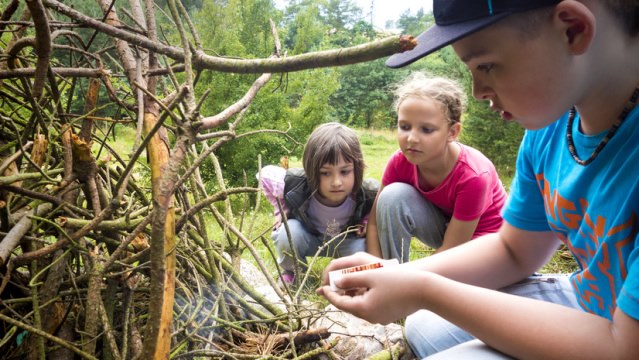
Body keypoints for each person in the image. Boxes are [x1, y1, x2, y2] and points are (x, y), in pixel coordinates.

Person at [318, 0, 639, 358]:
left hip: (621, 337)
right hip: (591, 299)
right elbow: (514, 250)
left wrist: (424, 289)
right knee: (424, 324)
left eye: (486, 65)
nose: (476, 92)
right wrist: (396, 275)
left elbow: (624, 348)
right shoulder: (551, 130)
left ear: (573, 29)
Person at [366, 73, 507, 263]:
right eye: (405, 127)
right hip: (450, 231)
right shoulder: (400, 162)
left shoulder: (473, 176)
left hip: (487, 245)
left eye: (426, 129)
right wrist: (375, 268)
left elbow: (452, 251)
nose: (412, 138)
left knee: (451, 287)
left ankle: (399, 283)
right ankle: (392, 272)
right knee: (392, 195)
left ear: (452, 132)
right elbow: (373, 224)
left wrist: (405, 280)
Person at [258, 122, 379, 285]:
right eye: (325, 173)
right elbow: (264, 175)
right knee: (287, 234)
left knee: (367, 250)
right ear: (311, 171)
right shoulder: (296, 184)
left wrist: (366, 221)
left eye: (344, 171)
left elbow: (378, 206)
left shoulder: (368, 192)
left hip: (346, 241)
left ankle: (345, 278)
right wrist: (281, 209)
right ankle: (294, 273)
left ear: (357, 169)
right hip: (310, 237)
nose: (336, 182)